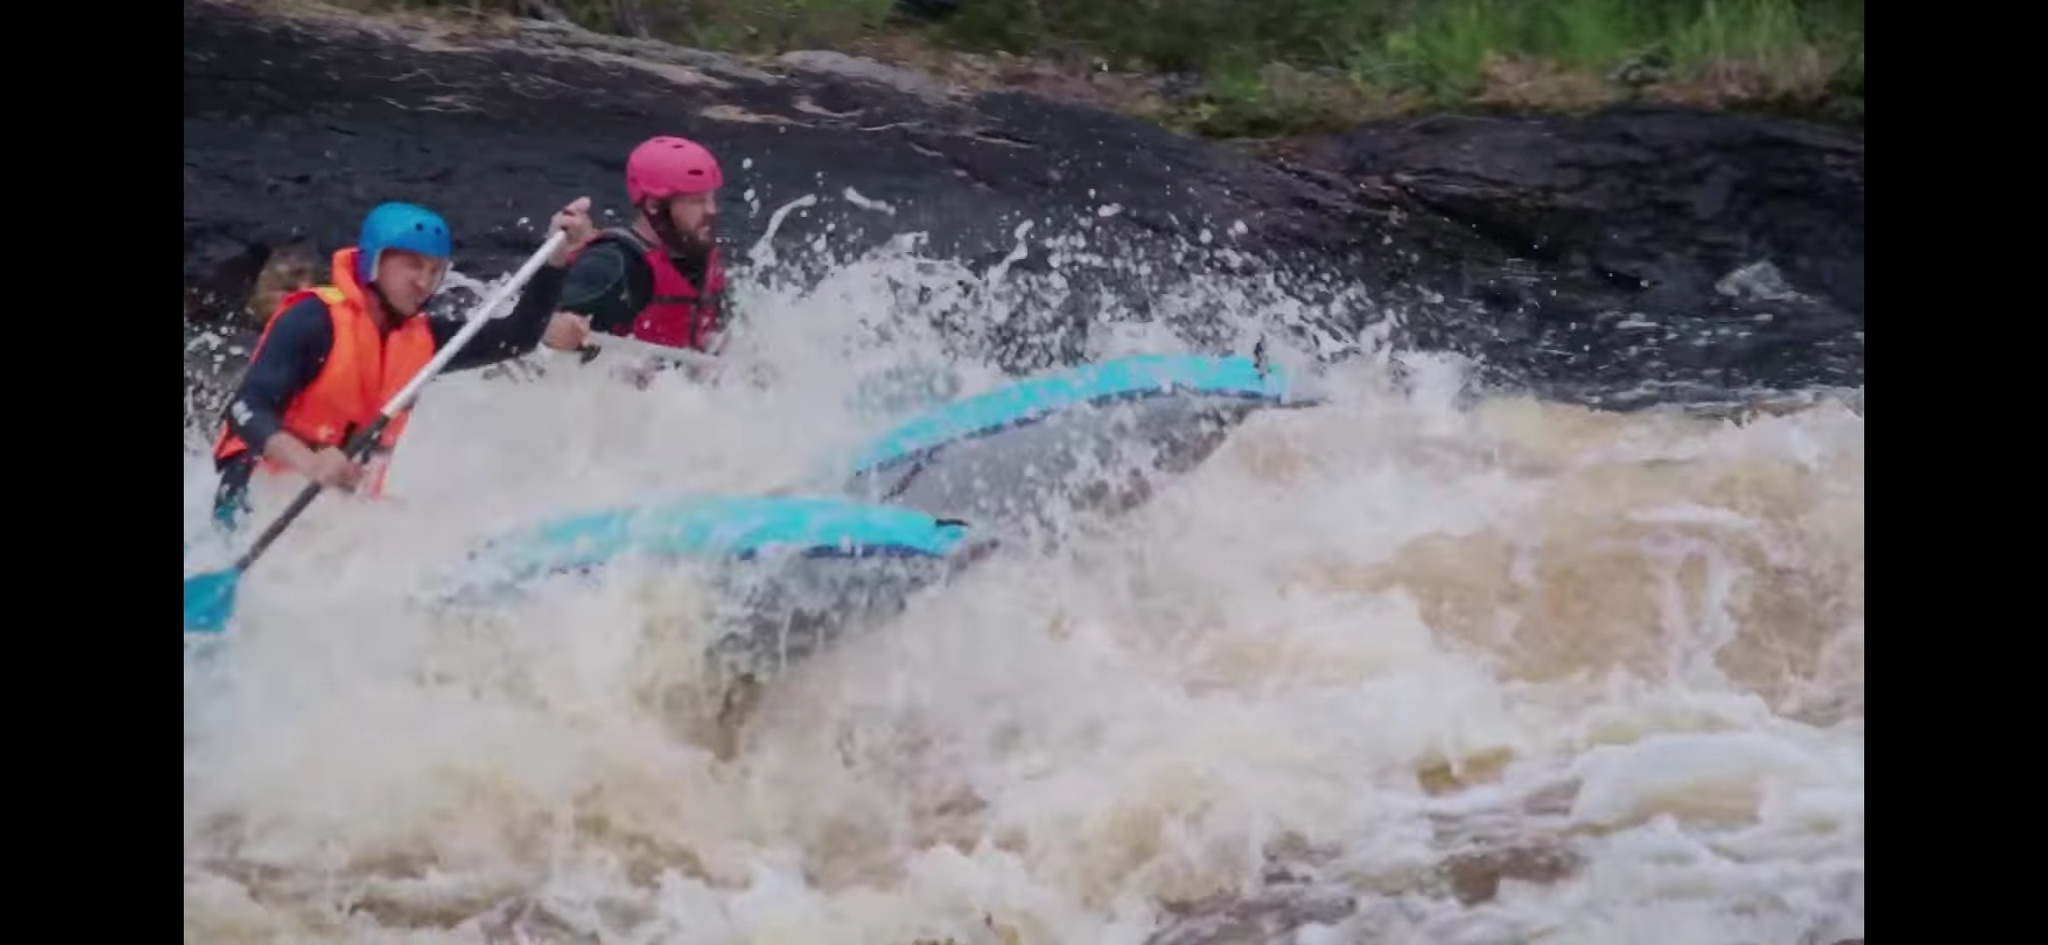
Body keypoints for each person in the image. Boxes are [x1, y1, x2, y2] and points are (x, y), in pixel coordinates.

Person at [210, 198, 597, 529]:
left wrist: (556, 257)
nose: (424, 282)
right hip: (255, 496)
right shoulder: (313, 320)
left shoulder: (425, 339)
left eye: (434, 270)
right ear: (374, 261)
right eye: (412, 265)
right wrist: (309, 463)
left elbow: (518, 336)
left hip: (336, 507)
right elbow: (246, 408)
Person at [555, 135, 732, 381]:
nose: (711, 210)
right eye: (696, 201)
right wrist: (559, 328)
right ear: (653, 205)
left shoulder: (705, 260)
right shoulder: (612, 263)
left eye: (711, 198)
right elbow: (544, 329)